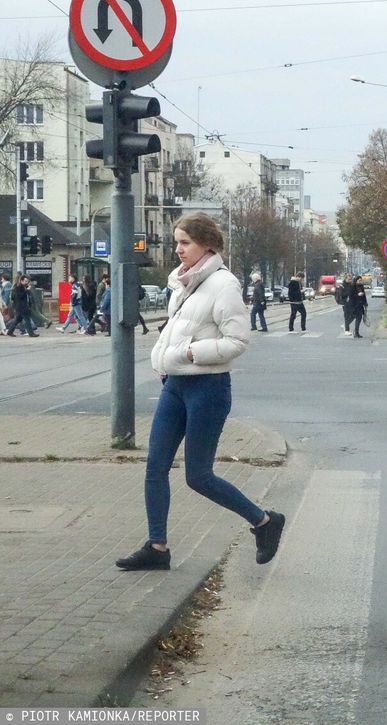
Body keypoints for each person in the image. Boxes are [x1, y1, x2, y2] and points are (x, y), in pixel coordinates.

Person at [116, 212, 285, 572]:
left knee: (198, 476)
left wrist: (192, 353)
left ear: (207, 244)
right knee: (154, 467)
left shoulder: (223, 284)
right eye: (177, 241)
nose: (178, 249)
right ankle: (157, 547)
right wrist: (164, 357)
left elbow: (238, 341)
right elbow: (178, 330)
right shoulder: (183, 283)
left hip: (207, 388)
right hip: (175, 385)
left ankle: (265, 522)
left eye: (185, 242)